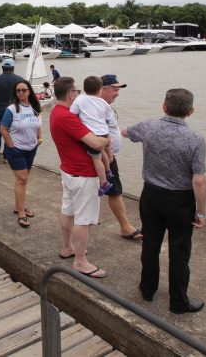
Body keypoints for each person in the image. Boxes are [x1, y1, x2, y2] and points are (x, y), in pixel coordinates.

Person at [122, 88, 206, 314]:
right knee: (179, 251)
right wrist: (202, 211)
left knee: (150, 243)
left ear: (164, 106)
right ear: (190, 111)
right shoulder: (196, 139)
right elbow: (199, 180)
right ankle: (178, 301)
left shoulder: (148, 127)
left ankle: (148, 289)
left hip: (151, 195)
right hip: (181, 200)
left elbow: (123, 132)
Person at [50, 77, 112, 277]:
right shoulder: (68, 117)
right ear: (70, 95)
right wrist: (108, 138)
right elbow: (96, 143)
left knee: (67, 210)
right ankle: (80, 262)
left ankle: (68, 247)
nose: (78, 95)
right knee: (83, 219)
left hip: (68, 171)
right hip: (83, 174)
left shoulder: (55, 112)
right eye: (76, 92)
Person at [99, 75, 142, 240]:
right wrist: (108, 153)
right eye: (115, 89)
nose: (117, 93)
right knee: (113, 191)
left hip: (109, 157)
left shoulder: (106, 106)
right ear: (104, 89)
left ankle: (125, 226)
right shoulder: (98, 107)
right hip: (104, 157)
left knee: (114, 191)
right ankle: (125, 227)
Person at [0, 79, 44, 227]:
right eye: (18, 91)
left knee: (24, 180)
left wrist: (39, 138)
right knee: (22, 179)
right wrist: (11, 146)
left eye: (24, 90)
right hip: (16, 149)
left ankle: (18, 205)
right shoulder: (12, 109)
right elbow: (3, 129)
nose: (21, 93)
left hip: (31, 148)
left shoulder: (34, 107)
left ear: (29, 91)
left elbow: (38, 123)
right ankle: (21, 213)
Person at [69, 76, 115, 194]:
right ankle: (108, 170)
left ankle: (104, 182)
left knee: (96, 158)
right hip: (104, 132)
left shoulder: (80, 99)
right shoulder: (103, 103)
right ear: (100, 90)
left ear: (83, 88)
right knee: (102, 150)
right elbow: (108, 118)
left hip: (93, 134)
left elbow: (72, 113)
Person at [0, 59, 23, 163]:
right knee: (10, 133)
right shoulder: (19, 79)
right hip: (14, 110)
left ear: (2, 67)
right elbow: (23, 94)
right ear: (13, 68)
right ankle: (6, 157)